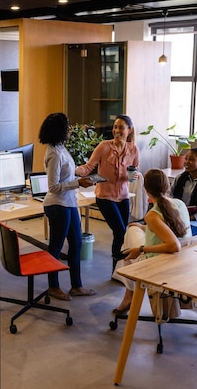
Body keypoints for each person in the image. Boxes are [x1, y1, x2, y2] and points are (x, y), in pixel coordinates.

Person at [112, 169, 191, 314]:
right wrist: (144, 227)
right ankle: (128, 295)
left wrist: (141, 249)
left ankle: (129, 295)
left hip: (159, 264)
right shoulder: (179, 204)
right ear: (168, 186)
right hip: (184, 261)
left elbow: (174, 245)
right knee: (133, 232)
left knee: (128, 246)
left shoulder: (152, 215)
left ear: (146, 188)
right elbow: (168, 228)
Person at [38, 112, 96, 301]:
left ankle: (76, 286)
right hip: (57, 205)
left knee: (77, 243)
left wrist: (84, 175)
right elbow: (53, 187)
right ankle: (53, 286)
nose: (70, 129)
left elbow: (69, 173)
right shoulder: (54, 153)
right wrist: (79, 183)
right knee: (55, 247)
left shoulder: (61, 148)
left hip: (68, 202)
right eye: (67, 126)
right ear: (59, 130)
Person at [75, 115, 140, 272]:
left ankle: (117, 270)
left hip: (123, 197)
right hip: (105, 197)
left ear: (129, 130)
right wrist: (74, 170)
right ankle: (118, 270)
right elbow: (89, 167)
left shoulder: (134, 149)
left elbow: (136, 170)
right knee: (120, 231)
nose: (116, 130)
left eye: (121, 127)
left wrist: (135, 176)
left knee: (120, 235)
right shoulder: (104, 146)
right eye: (115, 127)